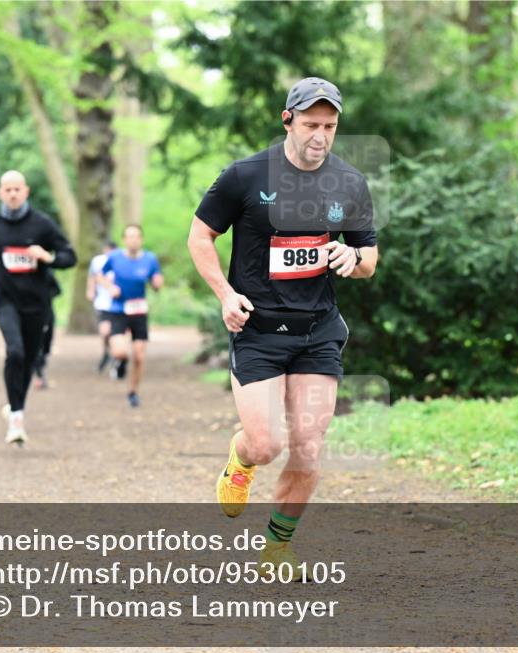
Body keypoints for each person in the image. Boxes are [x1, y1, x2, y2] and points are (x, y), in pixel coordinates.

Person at [187, 77, 378, 576]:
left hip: (318, 332)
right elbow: (200, 237)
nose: (321, 135)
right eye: (311, 124)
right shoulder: (245, 175)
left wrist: (352, 256)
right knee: (266, 445)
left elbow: (369, 257)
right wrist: (226, 295)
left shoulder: (349, 183)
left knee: (309, 447)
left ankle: (276, 548)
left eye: (330, 126)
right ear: (287, 120)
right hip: (257, 329)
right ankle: (241, 456)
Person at [0, 170, 76, 445]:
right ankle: (17, 418)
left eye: (17, 189)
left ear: (26, 191)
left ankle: (15, 406)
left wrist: (48, 257)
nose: (13, 194)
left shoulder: (42, 225)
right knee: (15, 351)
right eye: (7, 190)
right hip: (5, 300)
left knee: (30, 359)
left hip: (37, 303)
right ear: (0, 193)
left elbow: (69, 256)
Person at [98, 225, 163, 407]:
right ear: (124, 240)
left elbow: (156, 280)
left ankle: (133, 392)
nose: (133, 240)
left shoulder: (150, 259)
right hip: (118, 310)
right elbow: (100, 276)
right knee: (119, 351)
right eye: (129, 236)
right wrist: (110, 287)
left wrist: (157, 283)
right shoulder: (115, 257)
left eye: (136, 236)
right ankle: (120, 361)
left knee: (139, 356)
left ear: (141, 239)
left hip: (139, 311)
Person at [86, 241, 118, 374]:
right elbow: (92, 276)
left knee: (117, 332)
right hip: (103, 303)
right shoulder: (98, 261)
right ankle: (107, 353)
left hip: (118, 303)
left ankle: (117, 356)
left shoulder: (120, 260)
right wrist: (90, 290)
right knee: (105, 332)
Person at [32, 269, 61, 390]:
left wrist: (44, 295)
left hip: (46, 313)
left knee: (46, 343)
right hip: (29, 314)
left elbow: (57, 290)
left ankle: (40, 368)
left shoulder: (47, 272)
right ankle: (38, 374)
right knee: (34, 344)